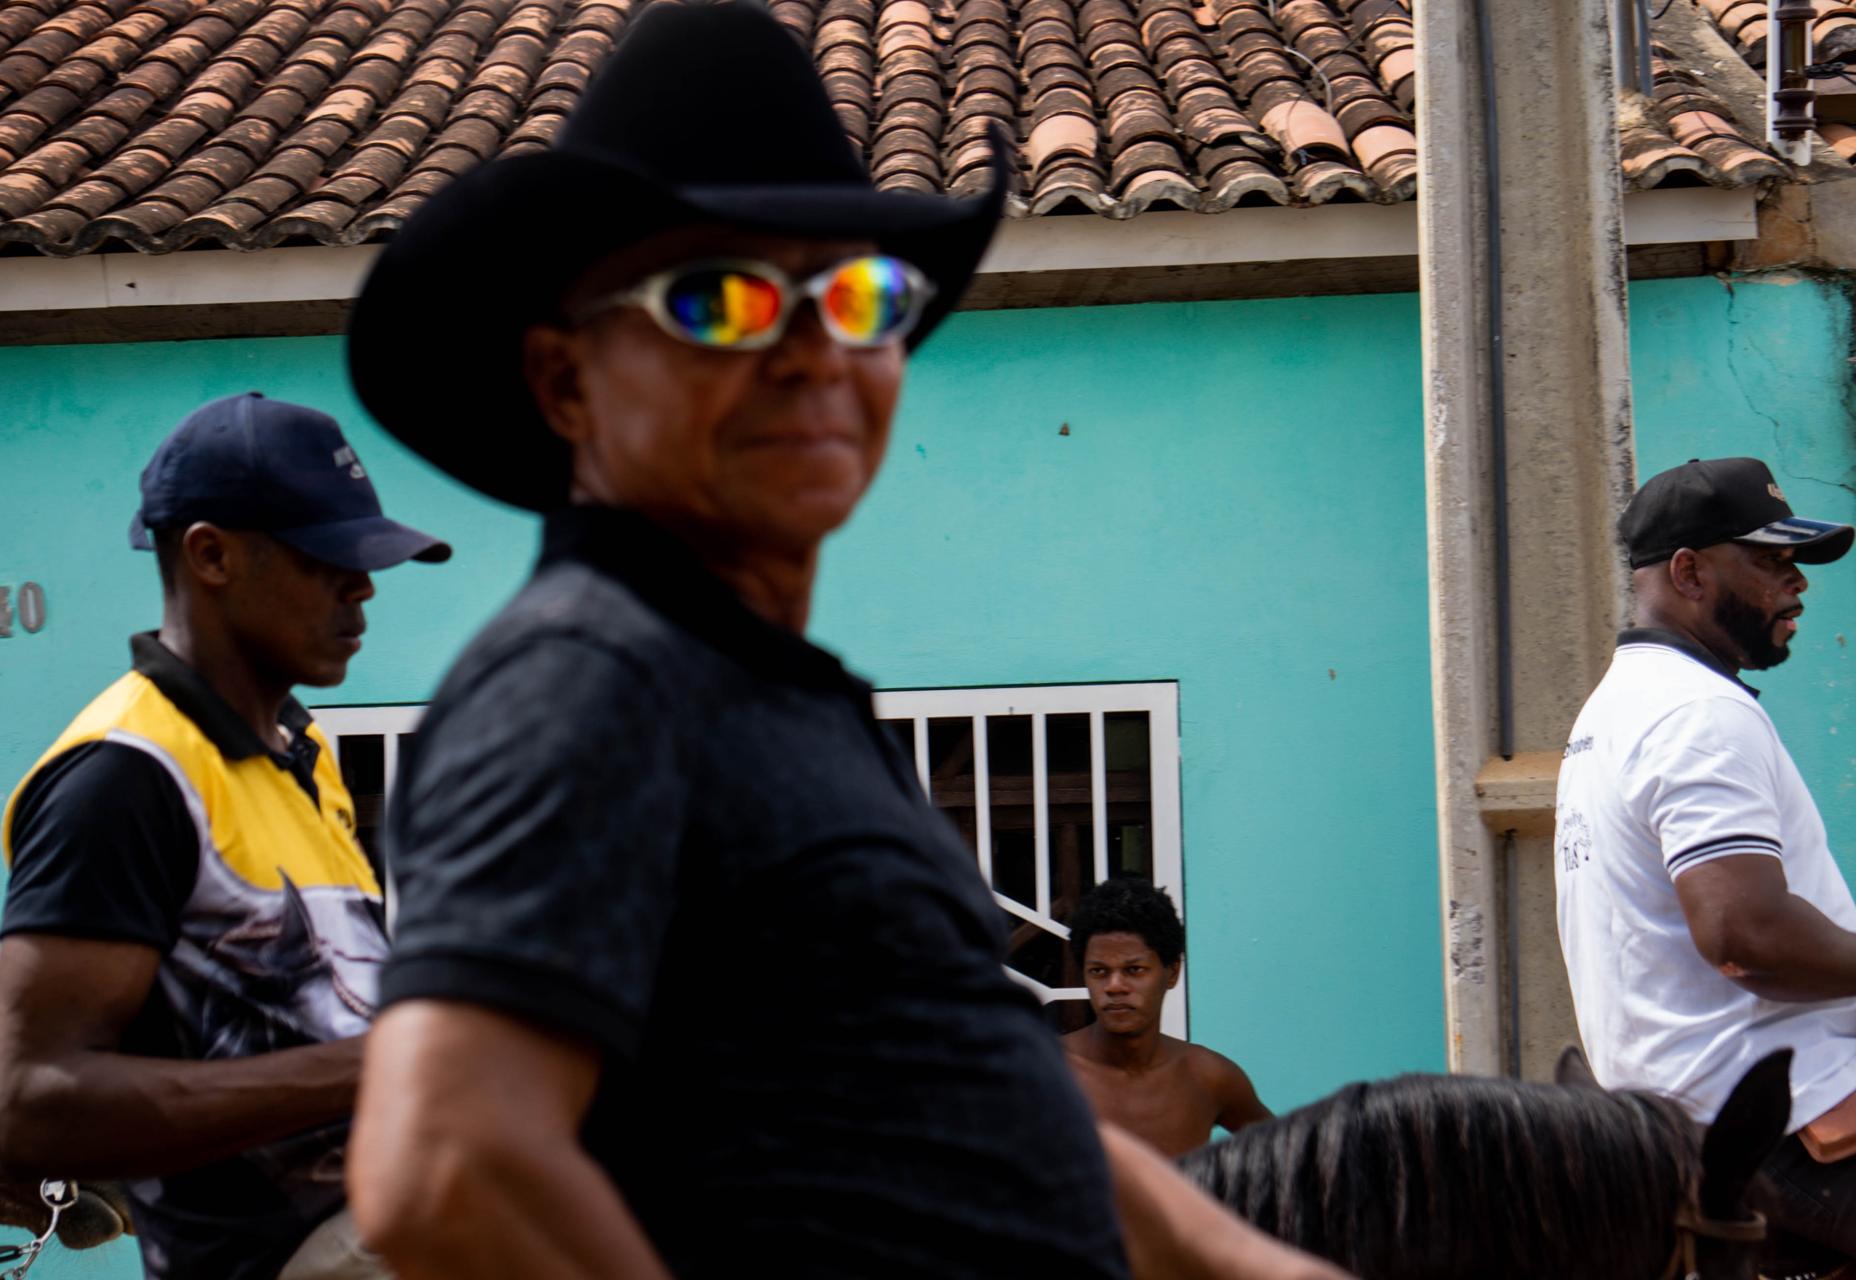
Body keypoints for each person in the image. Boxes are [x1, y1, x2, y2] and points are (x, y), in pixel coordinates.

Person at [339, 6, 1346, 1279]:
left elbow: (1016, 1123)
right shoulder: (589, 678)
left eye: (859, 298)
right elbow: (448, 1163)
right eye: (721, 300)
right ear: (566, 381)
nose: (815, 355)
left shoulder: (791, 705)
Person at [0, 392, 450, 1280]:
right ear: (211, 556)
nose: (363, 586)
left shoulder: (302, 754)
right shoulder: (124, 778)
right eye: (327, 558)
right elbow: (36, 1114)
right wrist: (385, 1062)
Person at [1555, 455, 1856, 1257]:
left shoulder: (1619, 708)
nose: (1797, 584)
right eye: (1770, 561)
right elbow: (1746, 937)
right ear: (1688, 572)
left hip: (1694, 1117)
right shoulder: (1696, 714)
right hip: (1773, 1123)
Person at [1064, 878, 1271, 1156]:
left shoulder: (1208, 1077)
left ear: (1172, 972)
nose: (1114, 986)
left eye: (1134, 970)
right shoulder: (1048, 1072)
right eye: (1099, 971)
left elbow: (1292, 1160)